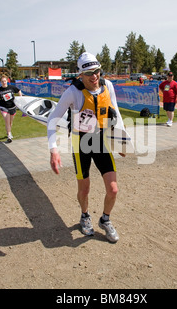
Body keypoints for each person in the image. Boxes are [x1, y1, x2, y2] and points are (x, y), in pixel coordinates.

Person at [47, 52, 126, 243]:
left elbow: (116, 112)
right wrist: (54, 149)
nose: (95, 76)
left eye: (97, 71)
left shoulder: (108, 86)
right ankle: (84, 216)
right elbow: (52, 120)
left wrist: (122, 140)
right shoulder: (73, 92)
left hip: (101, 140)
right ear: (80, 75)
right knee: (84, 189)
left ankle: (105, 219)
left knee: (113, 189)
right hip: (80, 142)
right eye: (89, 72)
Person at [0, 75, 22, 143]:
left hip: (12, 107)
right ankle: (9, 136)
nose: (4, 82)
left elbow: (19, 90)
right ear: (0, 82)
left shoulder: (11, 87)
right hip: (4, 107)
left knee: (10, 122)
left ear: (7, 81)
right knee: (7, 121)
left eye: (5, 81)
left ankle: (8, 131)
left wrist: (20, 99)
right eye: (2, 81)